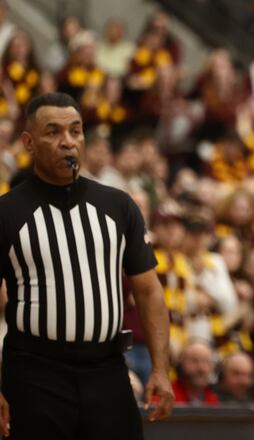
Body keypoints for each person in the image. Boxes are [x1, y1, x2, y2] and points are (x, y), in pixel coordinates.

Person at [0, 92, 174, 439]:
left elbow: (149, 291)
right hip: (33, 374)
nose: (67, 142)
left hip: (107, 371)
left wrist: (161, 368)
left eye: (75, 131)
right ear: (28, 142)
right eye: (53, 132)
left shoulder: (118, 206)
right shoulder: (7, 212)